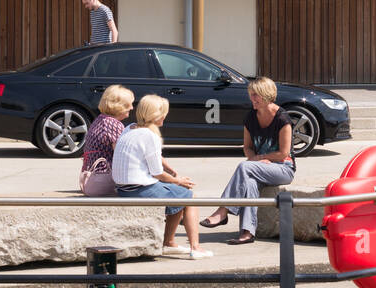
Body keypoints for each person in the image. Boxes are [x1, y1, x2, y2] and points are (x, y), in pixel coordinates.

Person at [112, 94, 211, 259]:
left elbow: (154, 158)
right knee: (190, 196)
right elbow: (157, 173)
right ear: (156, 115)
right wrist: (178, 180)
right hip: (139, 190)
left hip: (123, 189)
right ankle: (195, 247)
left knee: (177, 192)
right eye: (163, 112)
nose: (165, 115)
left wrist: (172, 172)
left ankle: (169, 243)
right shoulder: (150, 136)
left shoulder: (129, 128)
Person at [201, 77, 297, 245]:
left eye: (255, 95)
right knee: (249, 182)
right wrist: (256, 160)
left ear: (266, 95)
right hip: (259, 167)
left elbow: (283, 153)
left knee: (244, 167)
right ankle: (247, 232)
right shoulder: (251, 117)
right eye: (251, 95)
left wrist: (259, 159)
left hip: (283, 169)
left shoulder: (282, 119)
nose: (252, 99)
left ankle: (223, 211)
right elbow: (247, 147)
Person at [80, 84, 134, 196]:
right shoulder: (113, 124)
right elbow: (123, 156)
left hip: (91, 177)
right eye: (129, 104)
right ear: (119, 105)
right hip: (104, 179)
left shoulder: (100, 119)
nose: (132, 107)